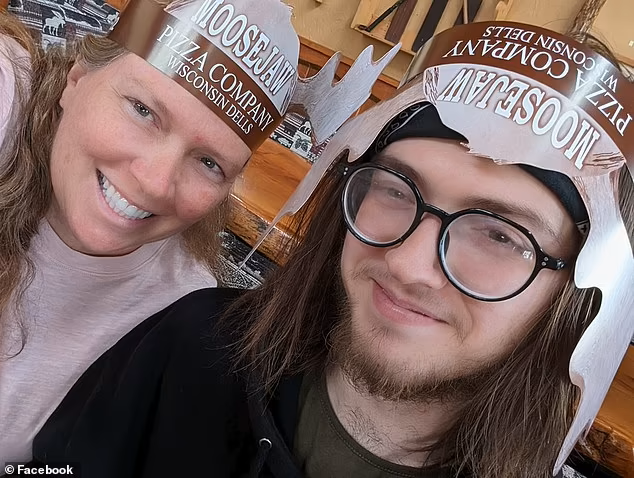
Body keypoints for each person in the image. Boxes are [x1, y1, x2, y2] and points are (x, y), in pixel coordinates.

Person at [30, 21, 634, 478]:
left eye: (500, 234)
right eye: (396, 189)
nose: (407, 264)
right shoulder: (196, 342)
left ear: (579, 294)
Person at [0, 0, 396, 466]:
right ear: (78, 78)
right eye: (143, 111)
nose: (155, 182)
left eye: (209, 163)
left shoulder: (175, 310)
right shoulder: (8, 93)